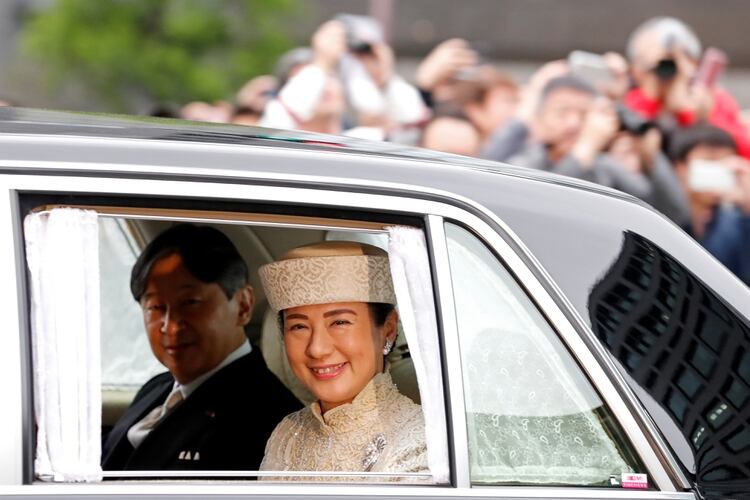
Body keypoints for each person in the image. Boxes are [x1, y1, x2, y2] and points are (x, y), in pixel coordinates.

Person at [102, 224, 301, 471]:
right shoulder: (156, 388)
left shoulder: (273, 422)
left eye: (190, 302)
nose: (170, 327)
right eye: (155, 307)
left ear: (243, 306)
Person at [258, 241, 428, 481]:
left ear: (388, 329)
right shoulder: (287, 434)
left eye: (340, 322)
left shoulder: (419, 444)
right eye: (299, 326)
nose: (317, 349)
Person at [624, 17, 750, 158]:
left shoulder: (714, 100)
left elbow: (745, 150)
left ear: (694, 63)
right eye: (649, 62)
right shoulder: (629, 99)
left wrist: (698, 117)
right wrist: (652, 99)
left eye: (677, 59)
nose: (667, 68)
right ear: (634, 69)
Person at [669, 125, 750, 285]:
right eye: (709, 162)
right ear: (680, 167)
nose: (718, 171)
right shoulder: (664, 218)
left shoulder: (738, 222)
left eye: (725, 163)